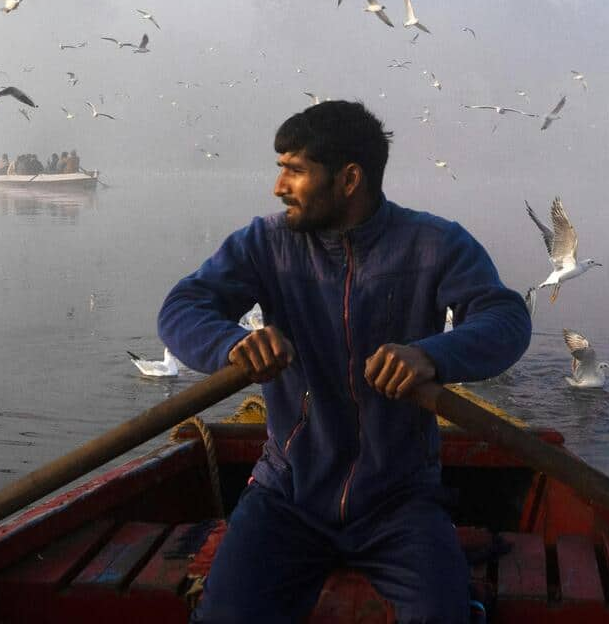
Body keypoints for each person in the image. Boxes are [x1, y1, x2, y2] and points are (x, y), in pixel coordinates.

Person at [158, 101, 529, 623]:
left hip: (400, 500)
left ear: (349, 179)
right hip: (287, 493)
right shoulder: (266, 243)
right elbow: (182, 307)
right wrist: (232, 346)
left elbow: (506, 319)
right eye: (280, 167)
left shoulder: (434, 243)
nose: (278, 186)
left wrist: (431, 355)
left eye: (295, 170)